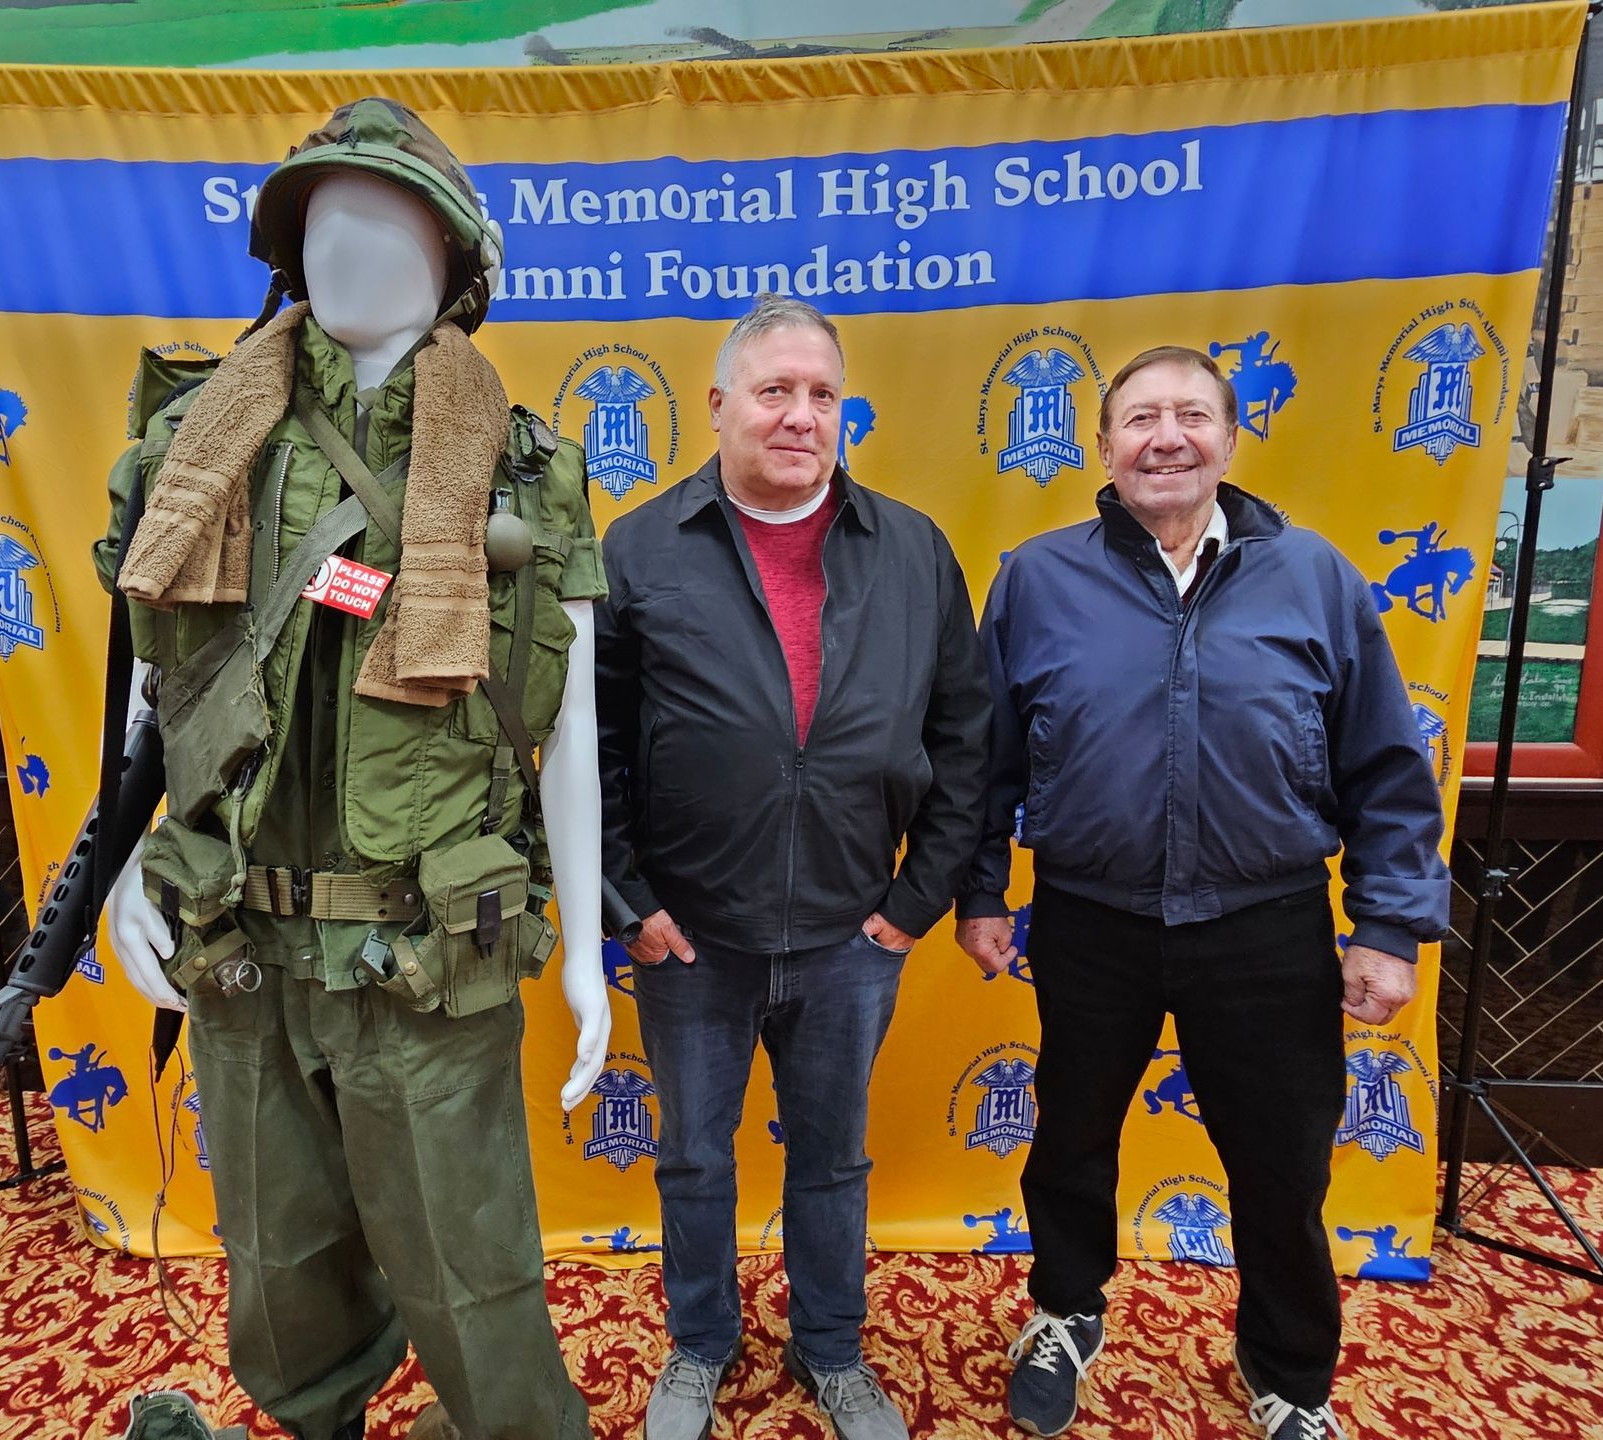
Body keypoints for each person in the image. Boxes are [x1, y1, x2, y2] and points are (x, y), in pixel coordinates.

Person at [94, 100, 610, 1440]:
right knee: (277, 1256)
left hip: (422, 952)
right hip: (240, 928)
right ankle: (310, 1416)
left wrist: (589, 956)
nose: (349, 251)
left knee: (470, 1264)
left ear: (456, 268)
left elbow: (569, 727)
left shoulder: (527, 470)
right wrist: (114, 878)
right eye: (324, 222)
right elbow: (160, 692)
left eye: (388, 223)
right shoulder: (196, 450)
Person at [955, 345, 1450, 1440]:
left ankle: (1289, 1375)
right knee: (1072, 1139)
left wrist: (1388, 926)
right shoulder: (1038, 578)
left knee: (1280, 1165)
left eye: (1190, 415)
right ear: (1103, 447)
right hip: (1089, 921)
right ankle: (1065, 1313)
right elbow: (985, 759)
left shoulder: (1316, 577)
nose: (1165, 436)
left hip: (1266, 926)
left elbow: (1383, 766)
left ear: (1230, 438)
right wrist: (982, 890)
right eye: (1139, 418)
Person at [595, 294, 990, 1440]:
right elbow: (595, 747)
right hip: (691, 938)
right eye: (775, 391)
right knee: (690, 1159)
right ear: (719, 406)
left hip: (850, 933)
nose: (801, 416)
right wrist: (634, 903)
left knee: (831, 1161)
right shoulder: (640, 546)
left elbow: (969, 735)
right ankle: (701, 1344)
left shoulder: (913, 549)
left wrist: (916, 904)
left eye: (822, 395)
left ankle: (831, 1348)